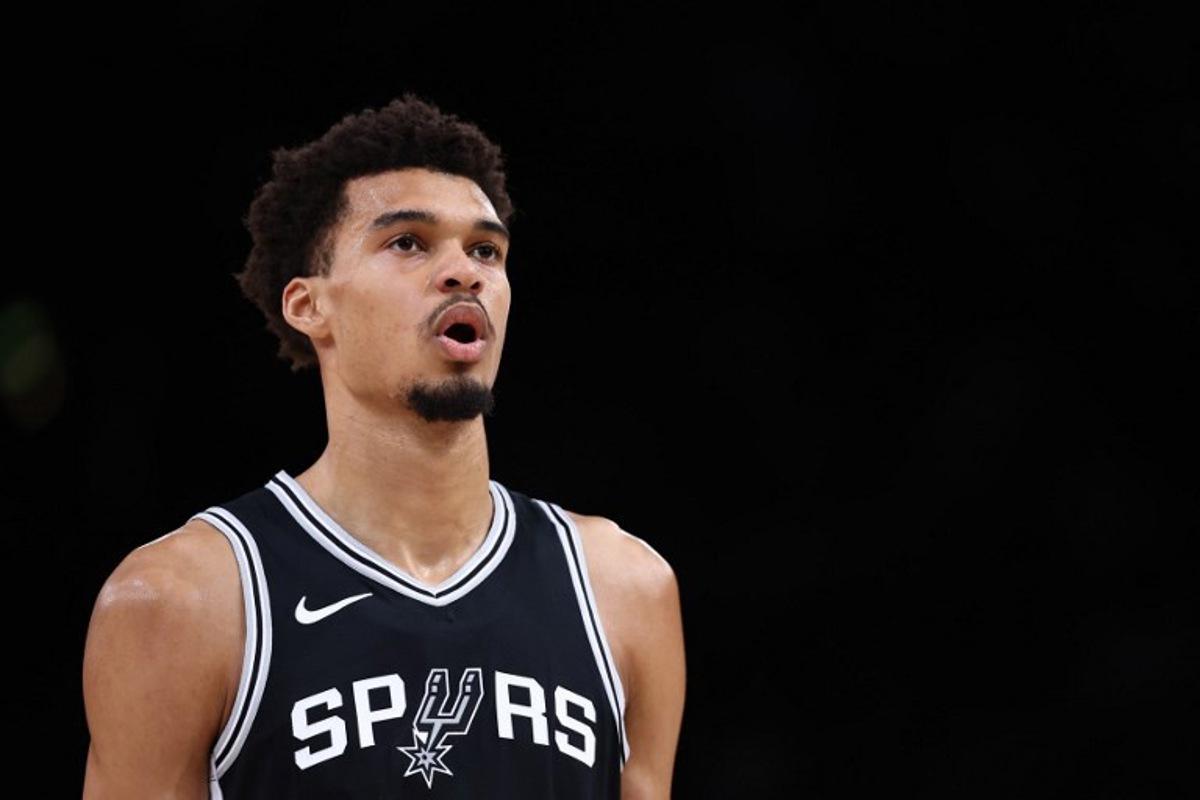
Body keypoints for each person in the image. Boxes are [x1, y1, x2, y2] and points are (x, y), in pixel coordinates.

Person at [81, 94, 686, 799]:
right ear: (310, 305)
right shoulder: (183, 599)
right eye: (408, 243)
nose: (464, 272)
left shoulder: (624, 588)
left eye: (485, 250)